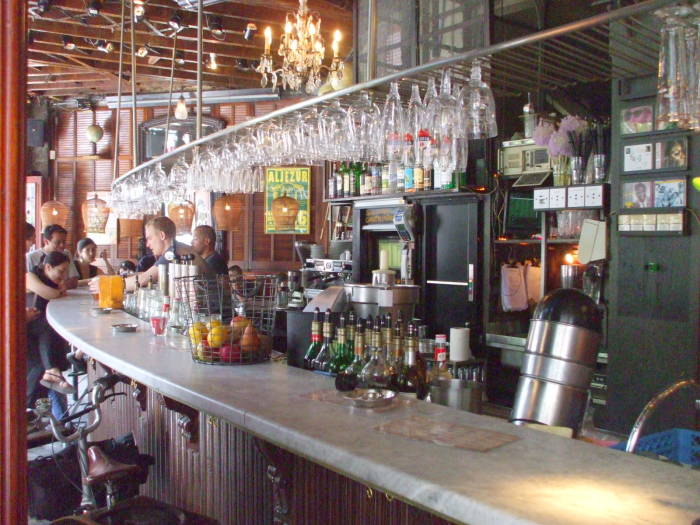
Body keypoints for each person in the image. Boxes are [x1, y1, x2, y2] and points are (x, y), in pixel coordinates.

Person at [92, 216, 210, 293]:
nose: (147, 244)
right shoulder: (178, 247)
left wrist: (108, 285)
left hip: (209, 313)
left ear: (162, 236)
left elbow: (143, 280)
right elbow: (147, 274)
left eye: (149, 238)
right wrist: (117, 278)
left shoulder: (174, 253)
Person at [26, 251, 75, 418]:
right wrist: (60, 290)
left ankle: (63, 421)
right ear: (48, 267)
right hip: (26, 333)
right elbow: (50, 294)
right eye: (60, 272)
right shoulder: (31, 276)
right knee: (40, 369)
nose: (63, 277)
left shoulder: (51, 282)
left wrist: (61, 288)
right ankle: (29, 412)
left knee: (50, 373)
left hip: (40, 336)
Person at [26, 224, 79, 289]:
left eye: (64, 241)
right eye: (58, 242)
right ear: (46, 241)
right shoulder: (32, 257)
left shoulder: (66, 254)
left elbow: (74, 281)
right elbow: (31, 283)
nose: (62, 245)